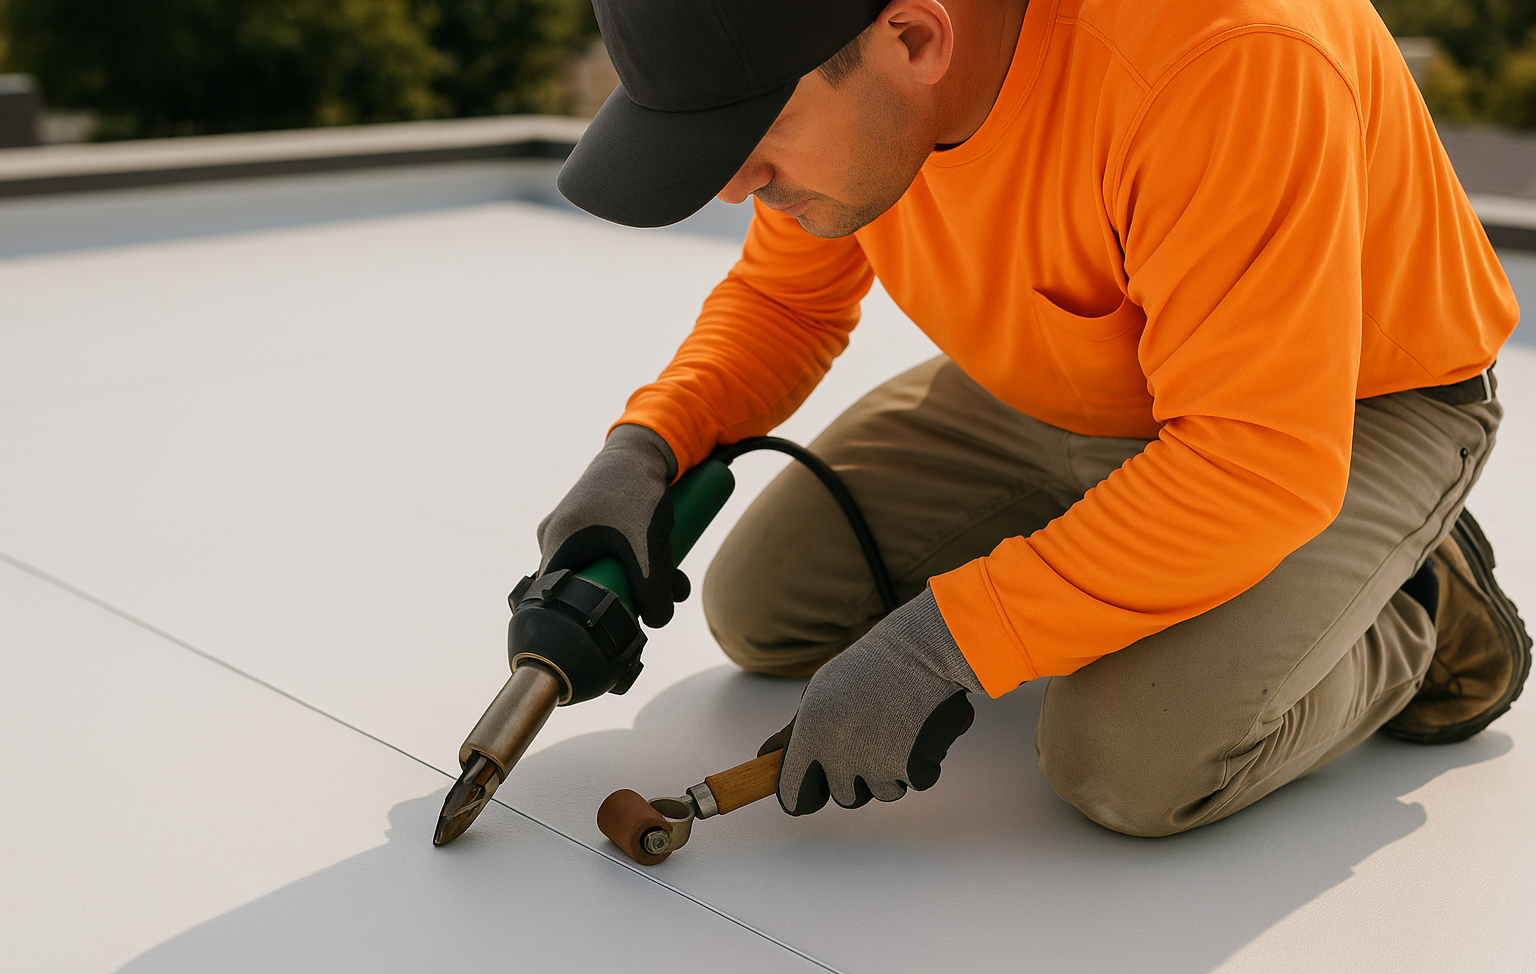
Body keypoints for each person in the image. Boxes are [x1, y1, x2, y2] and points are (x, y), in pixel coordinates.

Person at [537, 0, 1530, 836]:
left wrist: (951, 642)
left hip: (1342, 405)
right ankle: (1128, 536)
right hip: (1076, 372)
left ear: (917, 39)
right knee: (762, 606)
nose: (728, 183)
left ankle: (1414, 602)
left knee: (1129, 762)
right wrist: (651, 447)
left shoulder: (1221, 54)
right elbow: (787, 302)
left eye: (748, 134)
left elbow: (1253, 459)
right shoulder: (843, 56)